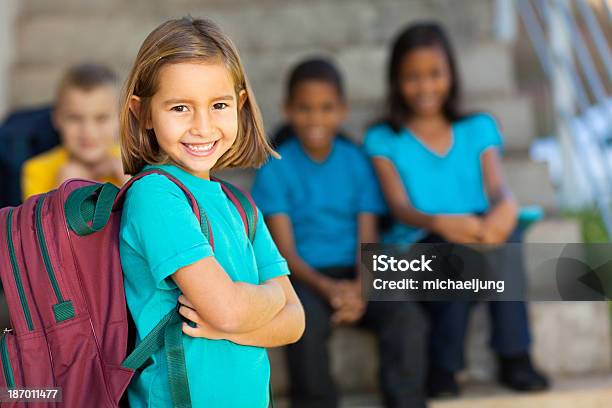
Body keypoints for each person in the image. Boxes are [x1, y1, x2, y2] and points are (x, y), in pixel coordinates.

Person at [118, 17, 305, 408]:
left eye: (218, 105)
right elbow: (229, 308)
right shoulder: (155, 196)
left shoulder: (240, 204)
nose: (202, 127)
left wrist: (232, 327)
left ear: (239, 104)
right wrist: (269, 297)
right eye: (181, 107)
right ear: (143, 113)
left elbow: (295, 321)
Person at [363, 23, 549, 397]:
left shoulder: (478, 127)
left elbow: (498, 189)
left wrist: (503, 213)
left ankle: (516, 354)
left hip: (477, 230)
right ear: (396, 81)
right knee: (456, 254)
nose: (426, 86)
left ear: (451, 74)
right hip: (417, 241)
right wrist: (443, 223)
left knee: (506, 240)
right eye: (412, 77)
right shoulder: (383, 137)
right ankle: (443, 366)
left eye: (435, 74)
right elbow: (399, 208)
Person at [252, 58, 428, 408]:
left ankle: (407, 400)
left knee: (405, 314)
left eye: (326, 108)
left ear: (342, 111)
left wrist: (361, 287)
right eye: (304, 108)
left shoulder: (356, 161)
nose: (315, 118)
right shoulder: (276, 169)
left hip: (357, 268)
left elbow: (368, 238)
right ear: (288, 110)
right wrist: (328, 288)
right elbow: (283, 251)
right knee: (303, 321)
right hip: (304, 275)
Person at [21, 64, 128, 199]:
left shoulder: (135, 165)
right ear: (57, 118)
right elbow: (34, 220)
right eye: (75, 118)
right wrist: (61, 190)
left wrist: (130, 183)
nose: (89, 132)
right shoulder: (36, 171)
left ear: (121, 118)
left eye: (101, 118)